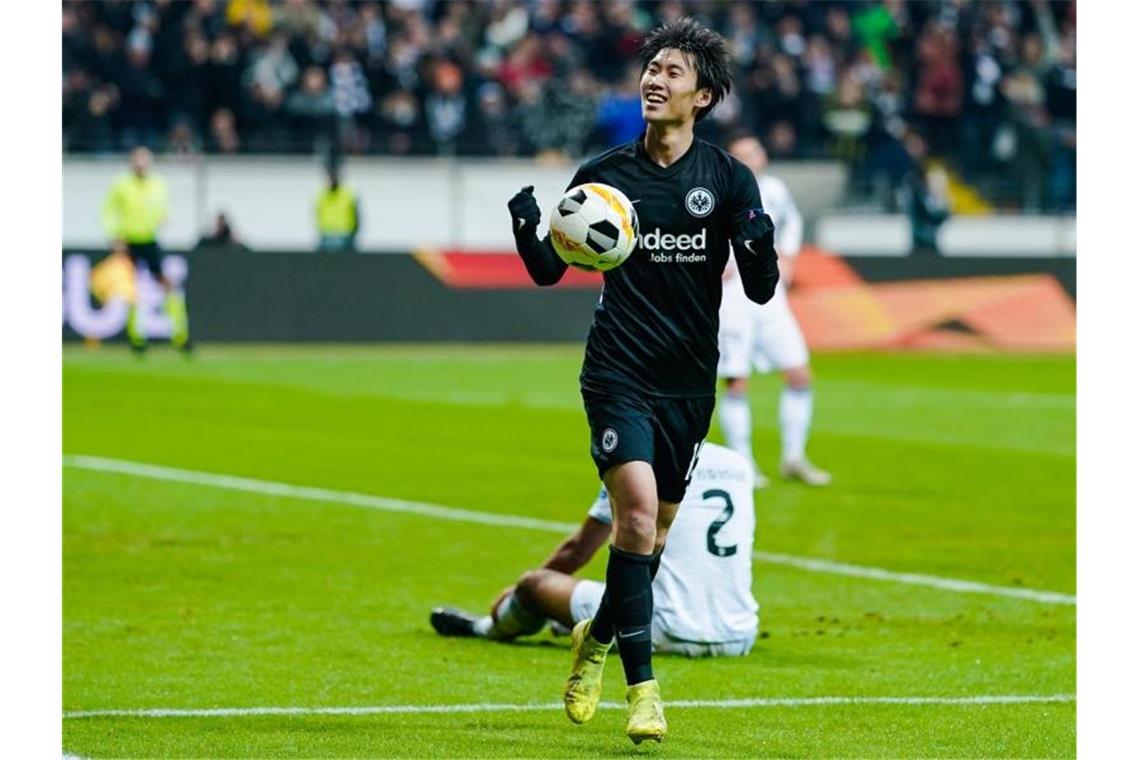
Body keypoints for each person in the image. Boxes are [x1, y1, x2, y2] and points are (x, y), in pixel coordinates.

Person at [506, 18, 778, 744]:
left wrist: (758, 242)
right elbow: (547, 268)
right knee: (631, 518)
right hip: (617, 372)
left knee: (649, 543)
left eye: (673, 73)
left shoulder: (725, 178)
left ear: (705, 96)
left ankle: (595, 638)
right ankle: (644, 693)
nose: (655, 80)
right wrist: (528, 227)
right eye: (651, 68)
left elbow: (758, 288)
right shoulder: (604, 174)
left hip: (689, 382)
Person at [430, 443, 759, 658]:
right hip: (740, 632)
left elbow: (576, 550)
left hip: (664, 628)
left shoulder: (638, 466)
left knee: (534, 586)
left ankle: (486, 626)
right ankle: (575, 621)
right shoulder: (736, 464)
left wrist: (518, 592)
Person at [717, 134, 831, 488]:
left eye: (755, 151)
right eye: (742, 153)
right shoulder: (721, 192)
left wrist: (790, 259)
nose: (751, 158)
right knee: (737, 381)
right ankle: (744, 462)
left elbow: (791, 224)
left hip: (772, 298)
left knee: (799, 375)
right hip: (733, 300)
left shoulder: (776, 190)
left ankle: (793, 457)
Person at [101, 146, 191, 353]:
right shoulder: (121, 185)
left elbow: (162, 207)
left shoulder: (158, 183)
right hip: (128, 240)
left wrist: (163, 217)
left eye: (145, 160)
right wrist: (114, 235)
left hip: (149, 239)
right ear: (132, 162)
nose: (141, 165)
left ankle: (180, 334)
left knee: (166, 284)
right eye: (138, 160)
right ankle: (136, 338)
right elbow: (108, 211)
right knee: (129, 288)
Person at [315, 166, 360, 252]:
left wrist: (352, 235)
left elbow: (357, 217)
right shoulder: (321, 196)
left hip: (345, 236)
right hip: (326, 236)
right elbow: (318, 214)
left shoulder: (348, 195)